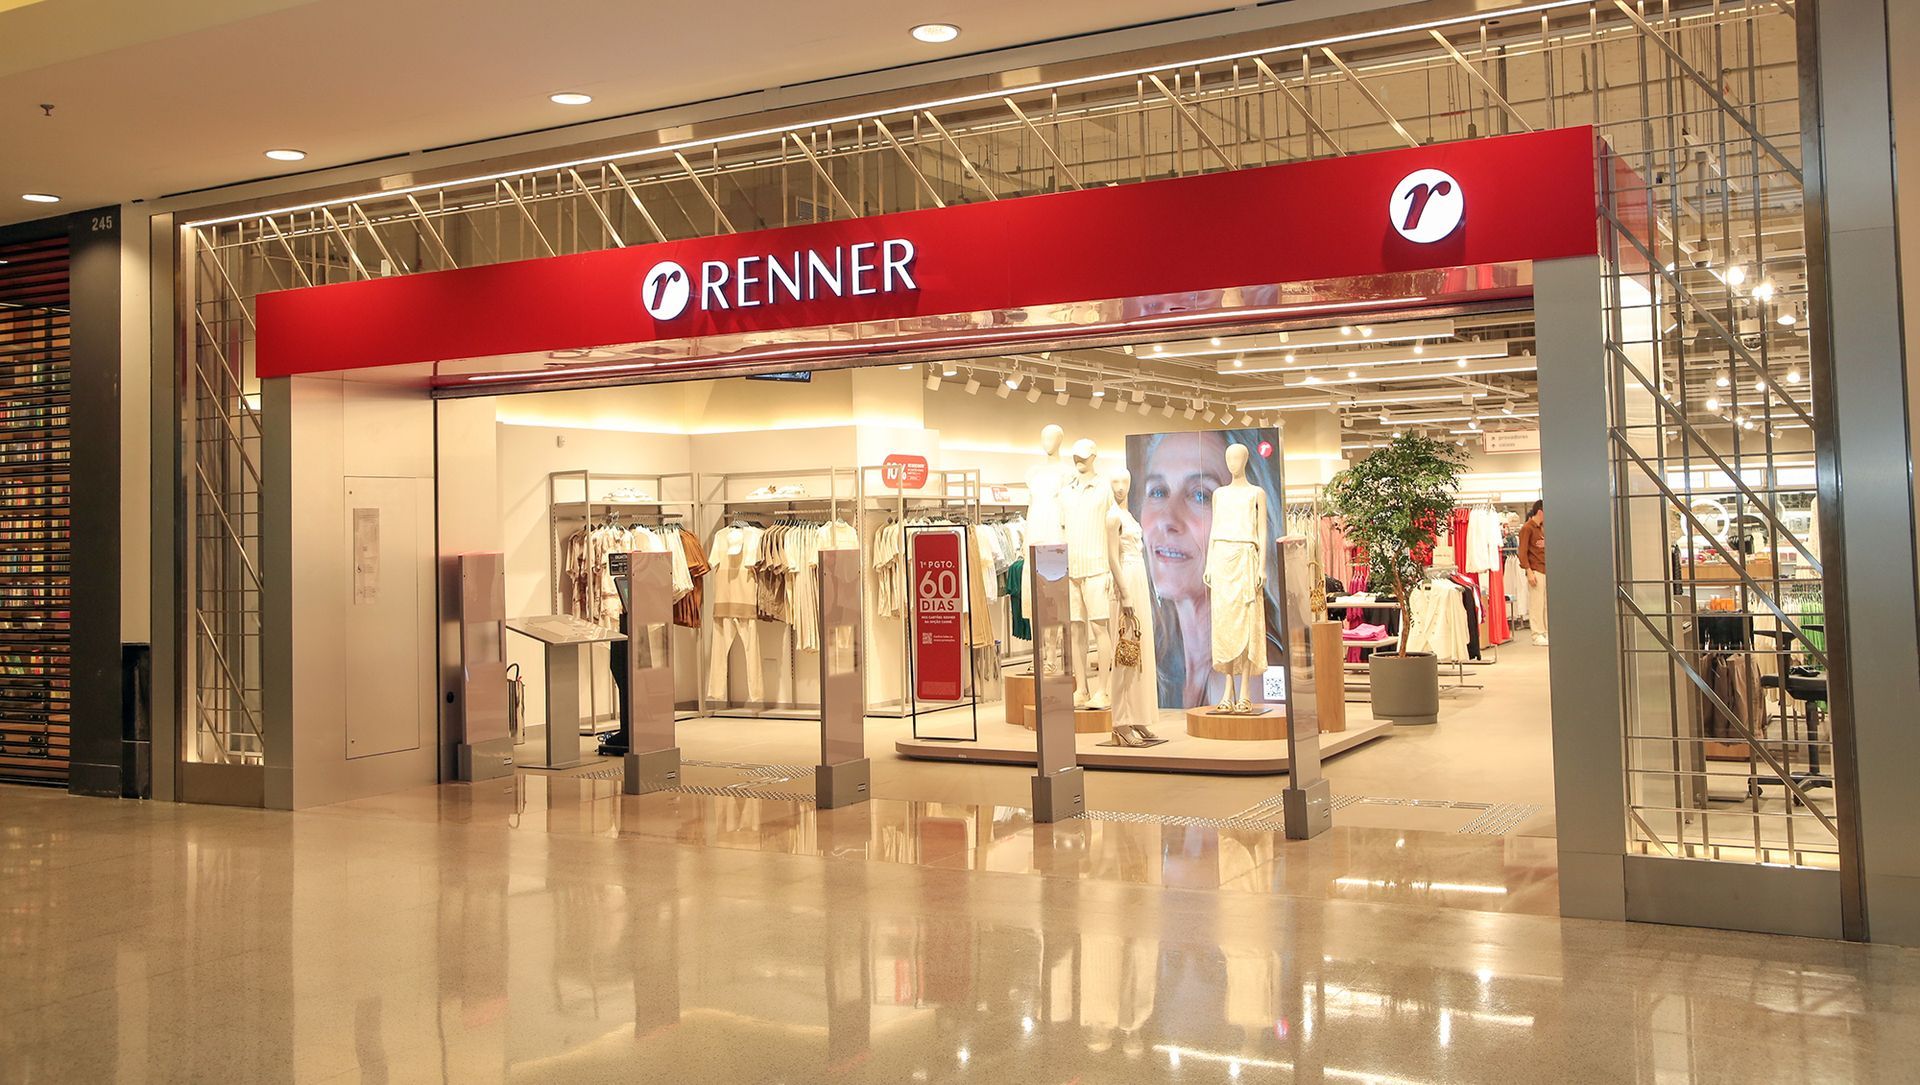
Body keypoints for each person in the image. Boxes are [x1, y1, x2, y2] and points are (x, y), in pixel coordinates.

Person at [1132, 429, 1283, 708]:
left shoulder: (1252, 496)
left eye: (1200, 495)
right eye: (1158, 491)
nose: (1168, 519)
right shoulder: (1162, 662)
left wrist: (1257, 567)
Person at [1518, 499, 1548, 646]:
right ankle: (1537, 634)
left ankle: (1546, 631)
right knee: (1536, 603)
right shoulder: (1527, 528)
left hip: (1546, 569)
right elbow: (1522, 552)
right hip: (1536, 570)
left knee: (1546, 604)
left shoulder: (1542, 528)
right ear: (1540, 512)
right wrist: (1529, 571)